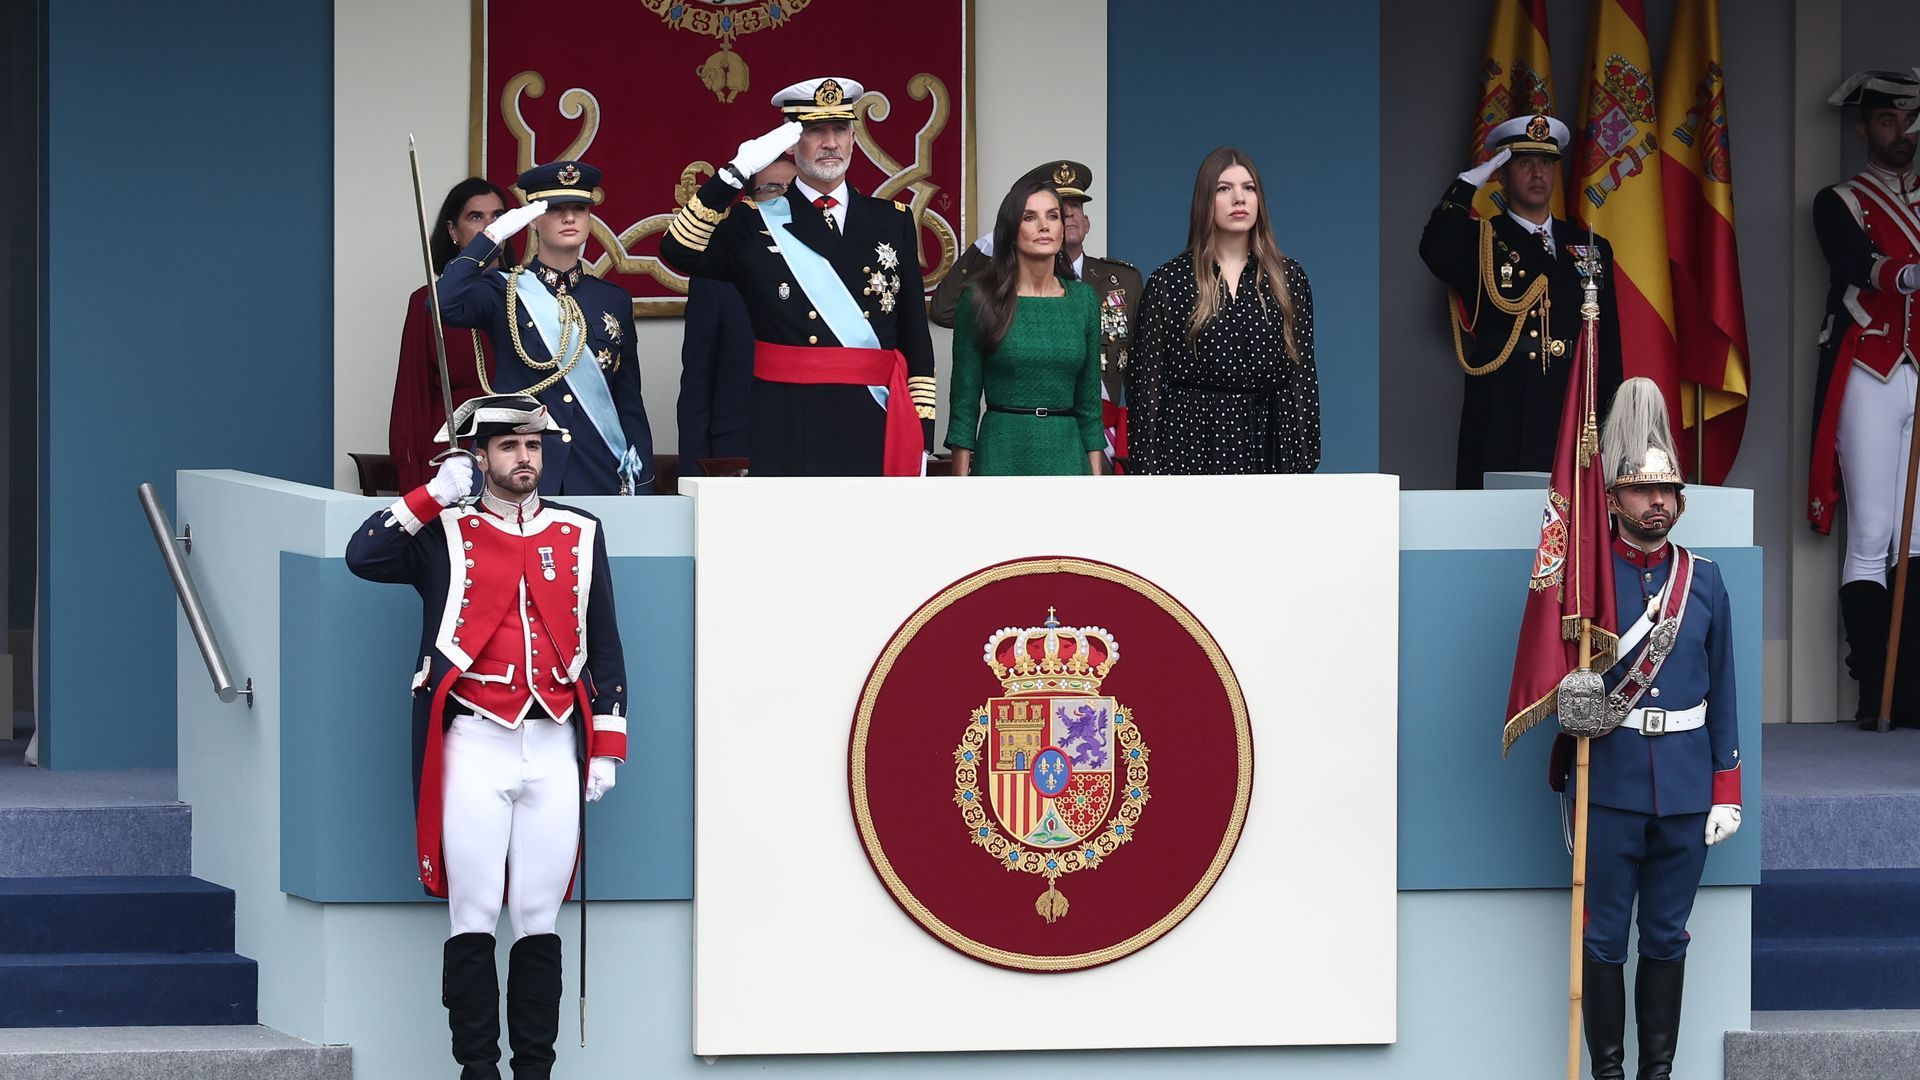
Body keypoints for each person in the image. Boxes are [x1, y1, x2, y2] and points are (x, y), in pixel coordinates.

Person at [346, 394, 629, 1080]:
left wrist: (609, 747)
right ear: (478, 456)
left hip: (555, 740)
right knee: (473, 913)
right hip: (474, 740)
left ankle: (535, 1070)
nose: (524, 458)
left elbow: (607, 647)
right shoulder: (443, 530)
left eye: (532, 446)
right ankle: (477, 1070)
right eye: (508, 447)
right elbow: (364, 555)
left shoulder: (580, 531)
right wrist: (428, 495)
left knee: (539, 916)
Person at [1551, 377, 1741, 1080]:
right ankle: (1609, 1074)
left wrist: (1728, 788)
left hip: (1688, 787)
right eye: (1641, 489)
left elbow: (1724, 691)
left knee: (1667, 937)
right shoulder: (1586, 580)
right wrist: (1565, 697)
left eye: (1668, 491)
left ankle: (1657, 1074)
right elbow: (1550, 659)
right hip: (1611, 783)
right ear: (1614, 497)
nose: (1657, 500)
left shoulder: (1706, 581)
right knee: (1603, 940)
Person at [658, 76, 936, 476]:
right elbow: (678, 250)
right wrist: (733, 175)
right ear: (791, 143)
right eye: (815, 131)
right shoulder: (754, 222)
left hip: (875, 420)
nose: (830, 143)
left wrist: (921, 432)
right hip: (787, 423)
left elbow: (914, 336)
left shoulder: (891, 220)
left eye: (840, 129)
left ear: (853, 139)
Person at [1420, 113, 1623, 489]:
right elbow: (1434, 249)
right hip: (1503, 405)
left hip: (1572, 406)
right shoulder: (1481, 239)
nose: (1537, 173)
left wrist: (1610, 420)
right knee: (1497, 525)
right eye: (1524, 163)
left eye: (1546, 163)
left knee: (1572, 527)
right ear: (1503, 173)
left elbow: (1606, 343)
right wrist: (1467, 184)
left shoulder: (1589, 247)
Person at [437, 160, 656, 495]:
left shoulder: (613, 299)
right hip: (523, 472)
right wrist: (492, 236)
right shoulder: (502, 288)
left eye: (579, 209)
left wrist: (643, 481)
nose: (569, 218)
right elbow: (443, 303)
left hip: (597, 469)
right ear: (534, 219)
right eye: (555, 209)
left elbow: (628, 400)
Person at [1809, 70, 1920, 728]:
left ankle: (1912, 691)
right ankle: (1874, 687)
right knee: (1874, 534)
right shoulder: (1841, 199)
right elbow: (1856, 261)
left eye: (1909, 122)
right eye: (1887, 122)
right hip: (1871, 366)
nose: (1900, 133)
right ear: (1864, 129)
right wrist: (1902, 271)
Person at [931, 161, 1142, 466]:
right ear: (1010, 228)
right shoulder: (981, 298)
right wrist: (961, 487)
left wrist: (1098, 487)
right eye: (1030, 217)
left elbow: (1089, 406)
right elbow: (964, 405)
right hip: (1002, 452)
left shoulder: (1084, 298)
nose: (1045, 225)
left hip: (1067, 454)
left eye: (1053, 216)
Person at [1125, 146, 1319, 475]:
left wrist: (1305, 459)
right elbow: (1146, 384)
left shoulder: (1289, 278)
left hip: (1267, 442)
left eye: (1249, 188)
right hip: (1188, 443)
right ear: (1205, 200)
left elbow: (1302, 374)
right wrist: (1147, 468)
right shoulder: (1168, 281)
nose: (1239, 199)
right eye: (1224, 189)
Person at [389, 178, 515, 490]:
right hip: (452, 460)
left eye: (498, 217)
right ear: (453, 232)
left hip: (520, 456)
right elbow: (412, 398)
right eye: (476, 217)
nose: (490, 227)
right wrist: (414, 485)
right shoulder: (425, 301)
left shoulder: (528, 294)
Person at [676, 160, 796, 462]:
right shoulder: (716, 274)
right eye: (772, 188)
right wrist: (694, 470)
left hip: (818, 444)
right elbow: (697, 380)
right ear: (750, 201)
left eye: (794, 189)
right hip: (739, 448)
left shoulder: (831, 268)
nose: (785, 197)